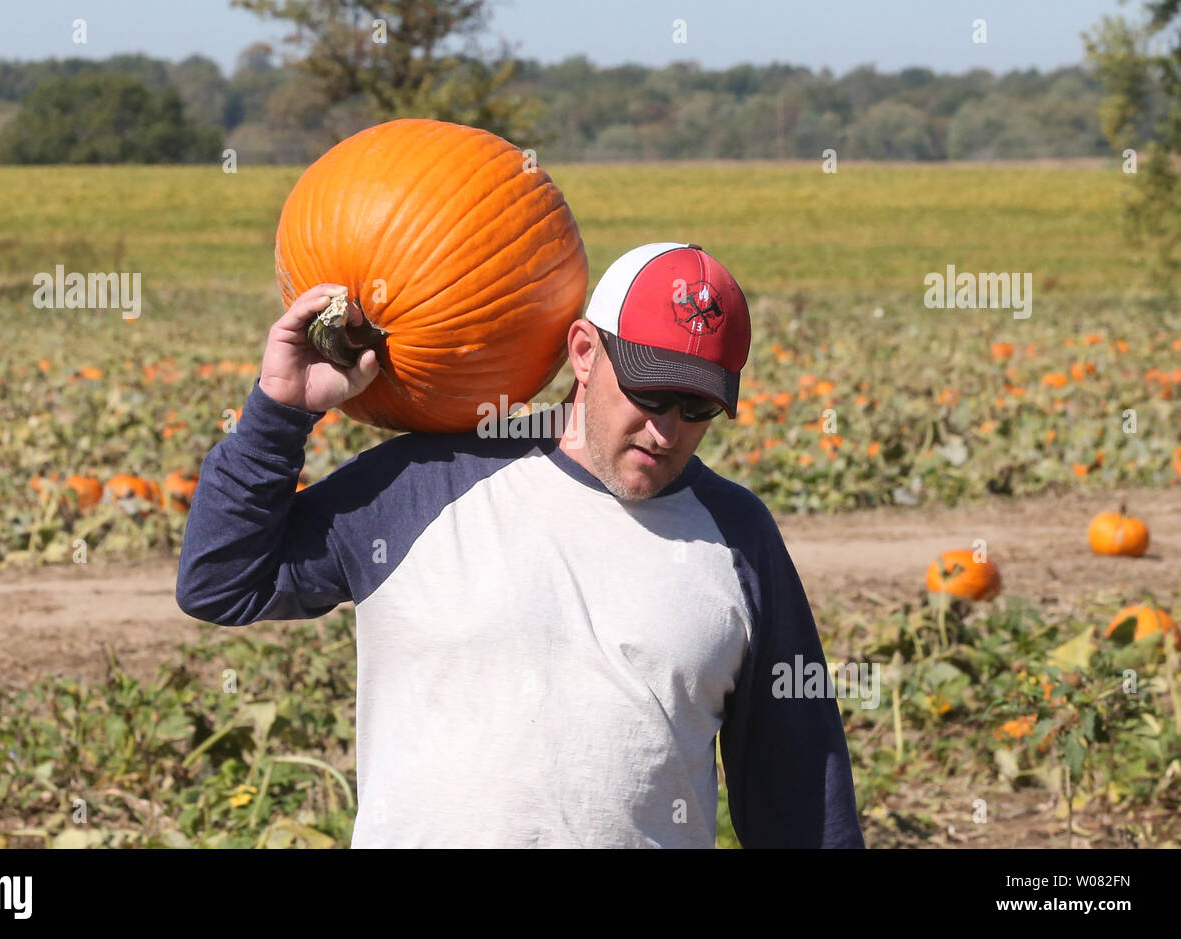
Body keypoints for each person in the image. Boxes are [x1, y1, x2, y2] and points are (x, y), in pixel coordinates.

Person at [176, 242, 865, 849]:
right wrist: (280, 409)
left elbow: (801, 796)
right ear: (585, 353)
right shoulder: (424, 483)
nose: (667, 430)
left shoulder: (737, 536)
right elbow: (221, 579)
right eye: (651, 396)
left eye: (698, 409)